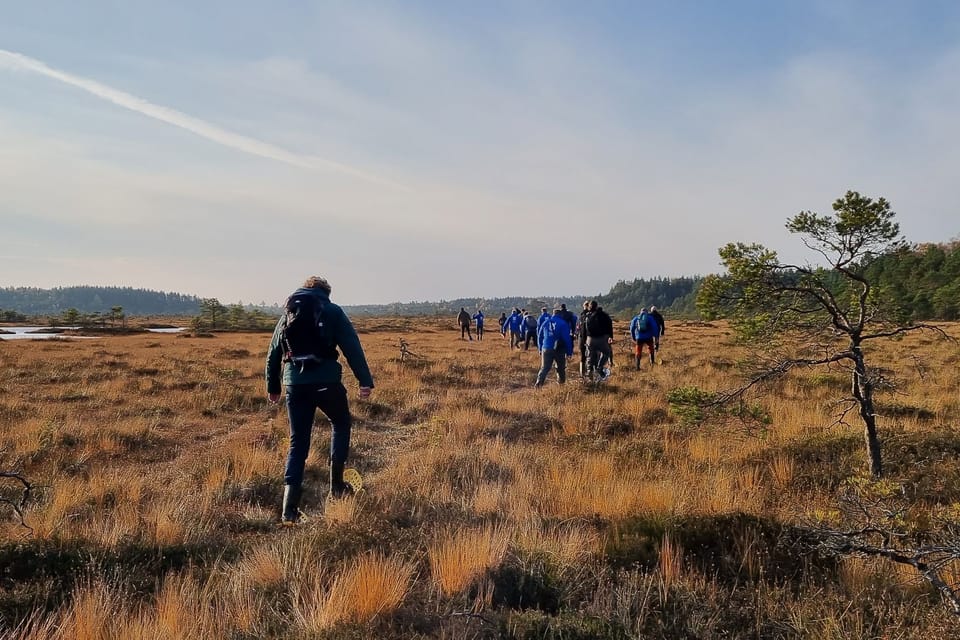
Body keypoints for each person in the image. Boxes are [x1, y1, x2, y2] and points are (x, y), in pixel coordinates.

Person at [265, 276, 374, 524]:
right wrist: (365, 381)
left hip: (294, 385)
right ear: (326, 293)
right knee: (340, 423)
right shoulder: (333, 311)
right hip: (327, 382)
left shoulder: (289, 312)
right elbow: (352, 347)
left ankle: (289, 511)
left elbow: (273, 353)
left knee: (298, 442)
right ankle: (337, 487)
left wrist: (273, 387)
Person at [534, 307, 573, 387]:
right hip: (559, 349)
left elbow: (539, 336)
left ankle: (538, 384)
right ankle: (561, 385)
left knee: (544, 368)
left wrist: (540, 348)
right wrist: (569, 352)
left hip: (546, 347)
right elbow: (567, 339)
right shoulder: (563, 323)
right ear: (560, 314)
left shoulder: (545, 322)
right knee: (560, 368)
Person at [583, 300, 614, 381]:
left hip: (590, 339)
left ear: (589, 307)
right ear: (597, 306)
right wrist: (610, 336)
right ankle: (599, 367)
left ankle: (589, 372)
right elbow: (609, 325)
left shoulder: (587, 316)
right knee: (606, 352)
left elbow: (584, 329)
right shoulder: (604, 315)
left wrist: (584, 340)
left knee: (590, 356)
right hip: (601, 338)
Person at [577, 301, 590, 377]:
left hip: (582, 338)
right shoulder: (591, 315)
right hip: (589, 338)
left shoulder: (581, 315)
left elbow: (578, 327)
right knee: (590, 356)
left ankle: (582, 373)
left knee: (583, 356)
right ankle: (589, 372)